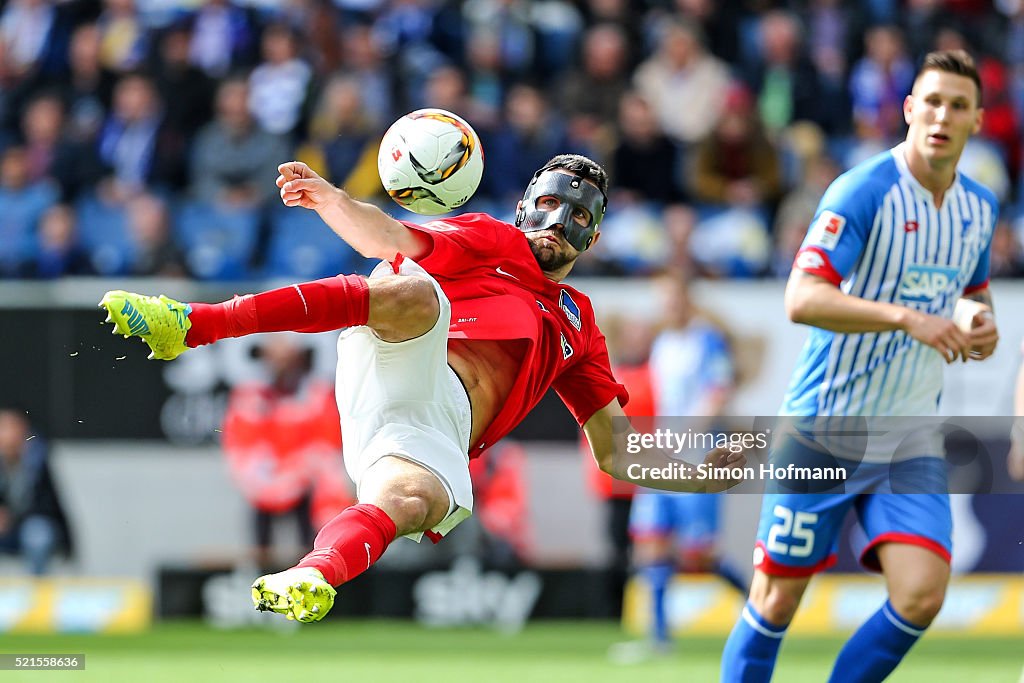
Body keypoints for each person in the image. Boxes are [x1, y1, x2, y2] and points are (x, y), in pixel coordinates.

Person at [99, 152, 747, 623]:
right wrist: (331, 200)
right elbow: (394, 239)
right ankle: (192, 324)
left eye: (579, 214)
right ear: (524, 207)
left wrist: (698, 474)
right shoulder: (491, 238)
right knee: (408, 290)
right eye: (549, 203)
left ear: (595, 236)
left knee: (411, 502)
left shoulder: (581, 325)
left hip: (433, 431)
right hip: (408, 361)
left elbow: (617, 450)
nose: (560, 219)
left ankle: (313, 573)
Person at [721, 50, 999, 682]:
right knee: (775, 602)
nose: (942, 115)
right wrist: (907, 318)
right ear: (908, 110)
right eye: (931, 101)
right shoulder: (864, 189)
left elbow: (972, 298)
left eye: (958, 106)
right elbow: (802, 297)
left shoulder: (979, 208)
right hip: (824, 427)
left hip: (908, 438)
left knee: (921, 595)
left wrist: (980, 326)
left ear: (977, 121)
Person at [220, 334, 345, 570]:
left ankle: (313, 581)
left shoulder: (317, 394)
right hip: (263, 484)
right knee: (261, 545)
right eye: (272, 357)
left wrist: (300, 469)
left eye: (286, 357)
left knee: (312, 542)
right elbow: (239, 440)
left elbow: (327, 441)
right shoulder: (249, 397)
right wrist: (262, 476)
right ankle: (261, 589)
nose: (279, 364)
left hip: (307, 484)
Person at [0, 408, 73, 575]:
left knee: (37, 534)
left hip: (29, 528)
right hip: (6, 532)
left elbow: (46, 506)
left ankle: (37, 589)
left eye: (7, 428)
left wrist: (11, 518)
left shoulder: (37, 461)